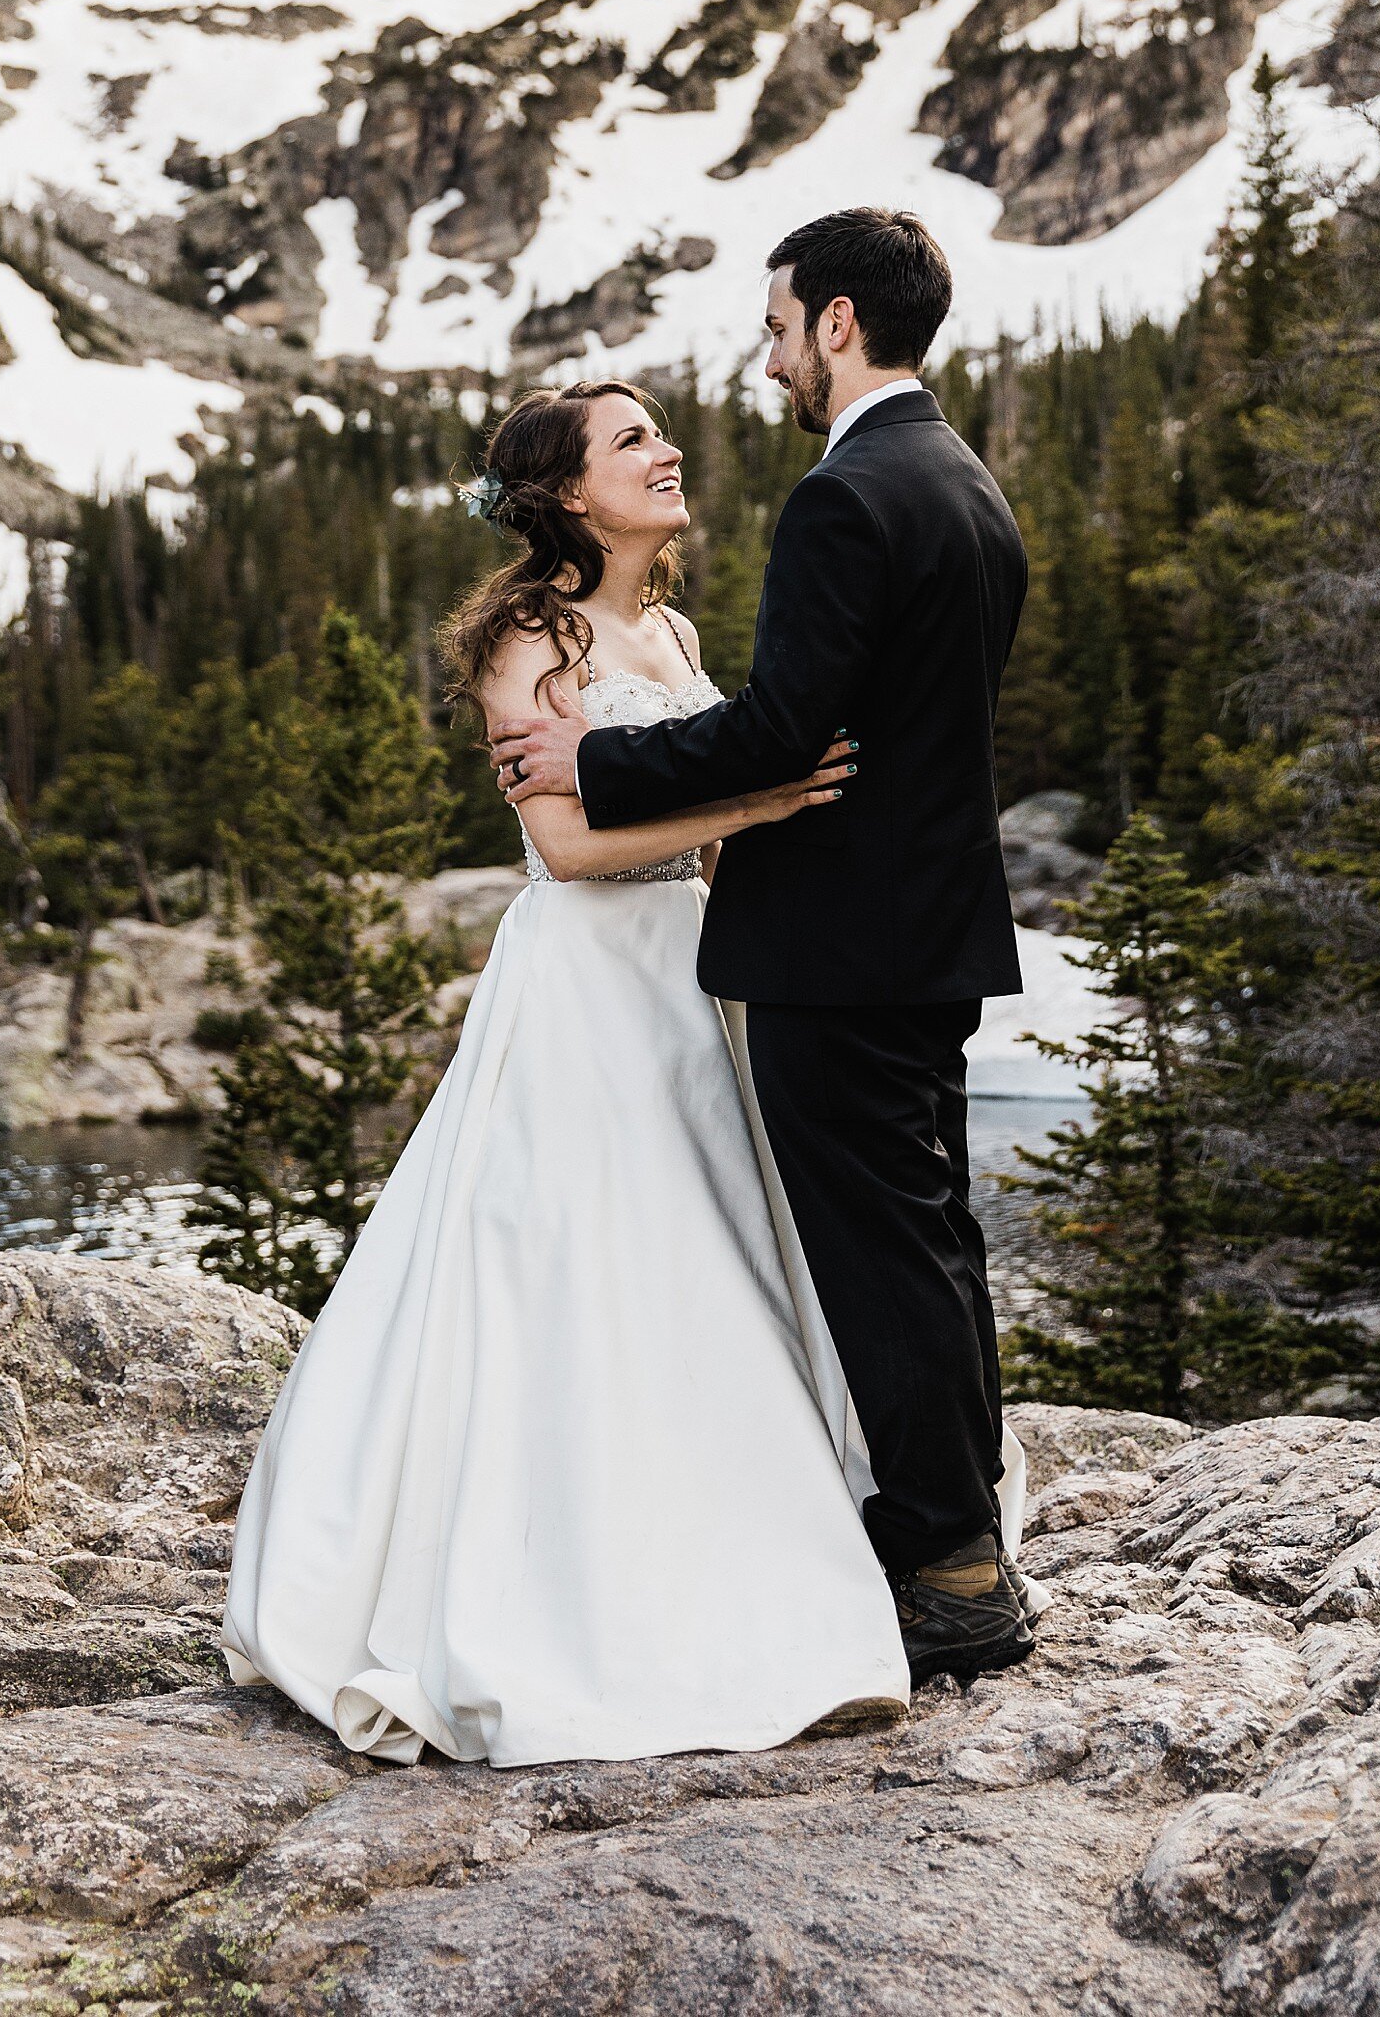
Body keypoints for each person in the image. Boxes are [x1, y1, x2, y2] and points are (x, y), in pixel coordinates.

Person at [221, 373, 973, 1767]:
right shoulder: (528, 636)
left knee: (728, 1262)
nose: (667, 452)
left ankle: (766, 1523)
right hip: (589, 980)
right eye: (633, 441)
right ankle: (581, 1576)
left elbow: (718, 792)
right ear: (568, 492)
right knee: (598, 1267)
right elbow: (564, 849)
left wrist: (770, 823)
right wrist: (756, 801)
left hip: (699, 970)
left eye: (658, 433)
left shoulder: (670, 626)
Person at [493, 208, 1033, 1687]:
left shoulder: (849, 496)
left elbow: (797, 728)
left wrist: (586, 765)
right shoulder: (968, 487)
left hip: (835, 953)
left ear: (840, 324)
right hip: (920, 939)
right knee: (931, 1238)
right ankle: (958, 1532)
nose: (770, 351)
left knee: (881, 1253)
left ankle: (948, 1564)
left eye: (780, 321)